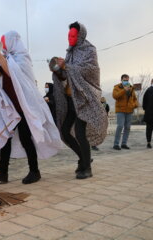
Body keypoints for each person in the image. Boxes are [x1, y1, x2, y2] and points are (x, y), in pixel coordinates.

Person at [0, 31, 61, 184]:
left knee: (26, 137)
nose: (3, 44)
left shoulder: (22, 58)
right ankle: (3, 172)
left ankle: (35, 171)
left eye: (4, 41)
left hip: (25, 106)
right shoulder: (5, 59)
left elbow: (13, 73)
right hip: (10, 106)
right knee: (5, 137)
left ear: (12, 41)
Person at [51, 21, 108, 179]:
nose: (70, 38)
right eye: (69, 35)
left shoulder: (90, 50)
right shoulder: (70, 53)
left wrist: (67, 67)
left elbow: (90, 71)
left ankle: (87, 168)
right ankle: (84, 158)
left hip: (84, 98)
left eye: (73, 35)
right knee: (65, 131)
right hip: (71, 98)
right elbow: (66, 77)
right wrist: (58, 70)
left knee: (80, 133)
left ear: (80, 35)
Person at [112, 74, 138, 150]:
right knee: (120, 126)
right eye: (124, 80)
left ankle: (124, 143)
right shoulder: (117, 87)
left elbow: (135, 98)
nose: (126, 81)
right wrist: (124, 90)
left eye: (127, 80)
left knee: (127, 127)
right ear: (121, 80)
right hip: (120, 110)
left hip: (129, 110)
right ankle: (116, 144)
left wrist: (134, 105)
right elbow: (115, 96)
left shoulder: (132, 88)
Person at [143, 79, 153, 149]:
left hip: (149, 113)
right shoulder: (148, 90)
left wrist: (146, 109)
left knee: (149, 129)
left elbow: (144, 103)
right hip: (149, 114)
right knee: (149, 129)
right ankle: (148, 142)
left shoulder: (148, 90)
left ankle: (148, 142)